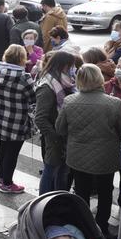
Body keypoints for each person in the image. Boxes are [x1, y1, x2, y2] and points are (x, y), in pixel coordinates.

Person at [57, 64, 121, 239]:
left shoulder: (69, 101)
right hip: (106, 156)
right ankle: (102, 227)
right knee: (105, 192)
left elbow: (60, 128)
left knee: (81, 191)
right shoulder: (114, 103)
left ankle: (84, 227)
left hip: (78, 155)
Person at [0, 44, 36, 194]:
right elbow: (33, 98)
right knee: (12, 152)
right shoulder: (24, 77)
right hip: (16, 120)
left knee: (3, 148)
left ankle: (1, 177)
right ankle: (7, 183)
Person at [35, 50, 77, 194]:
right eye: (71, 66)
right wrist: (55, 136)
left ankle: (59, 200)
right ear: (63, 66)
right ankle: (44, 203)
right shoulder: (47, 86)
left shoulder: (64, 81)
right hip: (55, 137)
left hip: (65, 135)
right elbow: (40, 118)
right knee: (51, 171)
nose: (73, 69)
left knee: (63, 172)